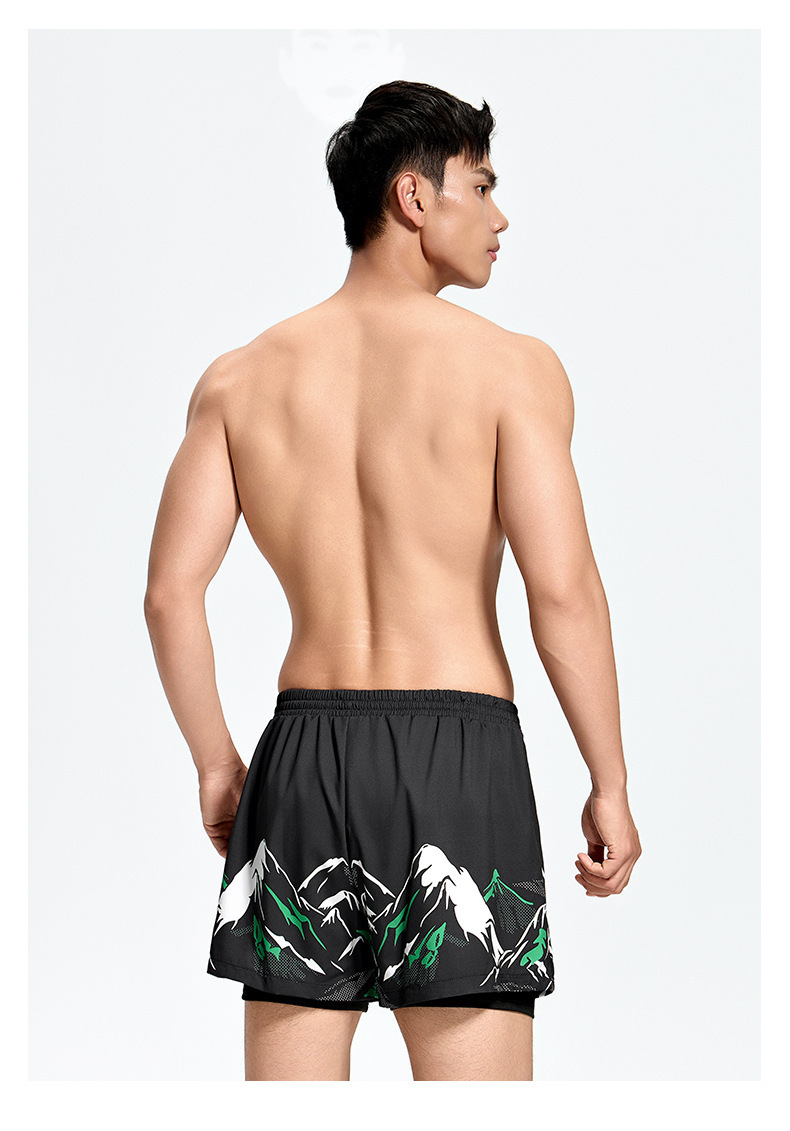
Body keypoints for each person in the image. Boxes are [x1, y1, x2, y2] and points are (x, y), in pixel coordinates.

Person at [143, 79, 641, 1082]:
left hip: (301, 760)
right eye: (482, 187)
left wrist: (216, 765)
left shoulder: (239, 380)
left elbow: (169, 594)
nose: (500, 218)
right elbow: (562, 591)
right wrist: (611, 781)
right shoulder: (512, 370)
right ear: (415, 198)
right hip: (459, 758)